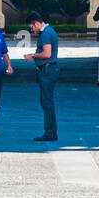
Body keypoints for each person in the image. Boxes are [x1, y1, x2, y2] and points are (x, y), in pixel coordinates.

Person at [24, 13, 59, 143]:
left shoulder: (45, 34)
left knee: (47, 102)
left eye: (32, 27)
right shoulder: (50, 31)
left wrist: (32, 55)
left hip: (47, 70)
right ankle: (51, 131)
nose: (32, 30)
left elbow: (47, 53)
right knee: (46, 101)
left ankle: (50, 132)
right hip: (50, 69)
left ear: (37, 23)